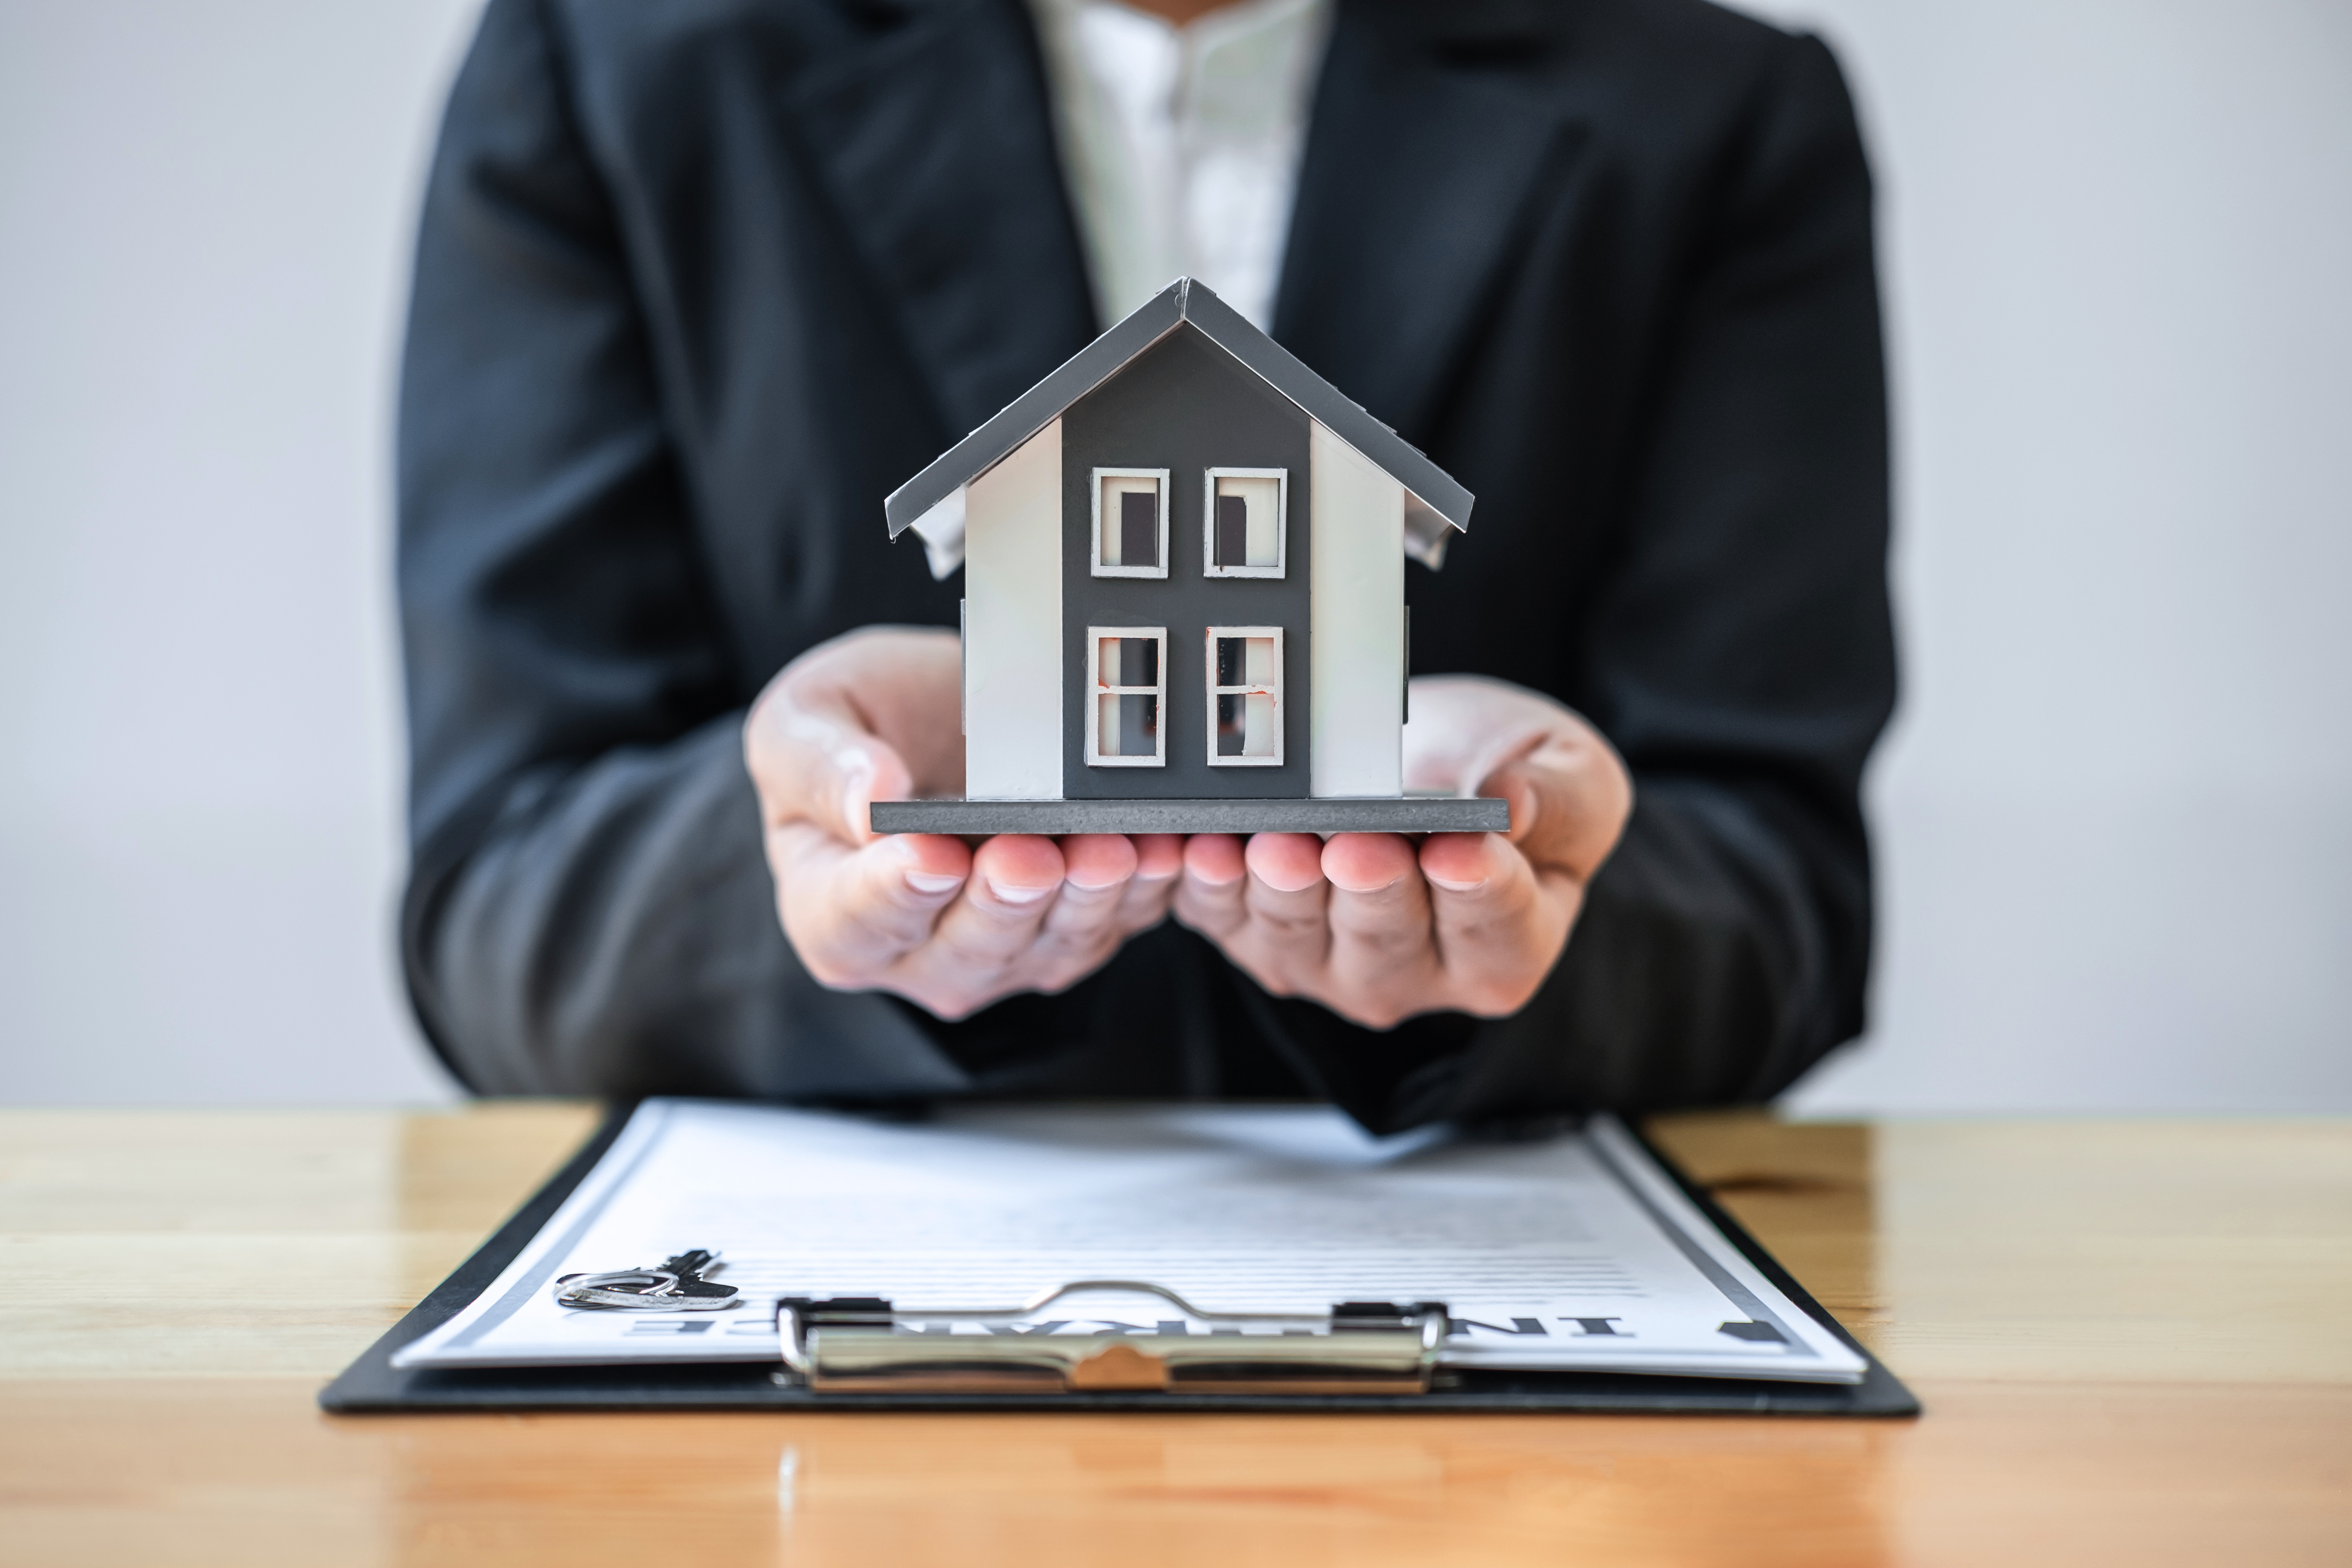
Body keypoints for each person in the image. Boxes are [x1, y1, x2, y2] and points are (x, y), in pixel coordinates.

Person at [396, 0, 1895, 1132]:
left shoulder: (1709, 114)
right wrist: (846, 866)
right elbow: (497, 901)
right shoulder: (609, 65)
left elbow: (1784, 900)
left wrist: (1512, 885)